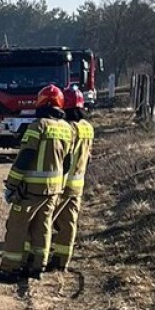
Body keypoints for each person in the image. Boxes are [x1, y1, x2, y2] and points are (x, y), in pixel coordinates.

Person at [0, 85, 74, 282]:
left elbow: (25, 156)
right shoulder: (67, 128)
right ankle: (37, 267)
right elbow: (68, 162)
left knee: (17, 226)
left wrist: (12, 184)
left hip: (31, 189)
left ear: (40, 102)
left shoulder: (38, 126)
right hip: (54, 189)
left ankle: (9, 269)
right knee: (43, 226)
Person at [48, 87, 94, 271]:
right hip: (78, 184)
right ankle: (62, 261)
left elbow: (63, 157)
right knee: (68, 223)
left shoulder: (68, 129)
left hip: (61, 183)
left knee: (42, 222)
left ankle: (34, 259)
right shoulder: (87, 127)